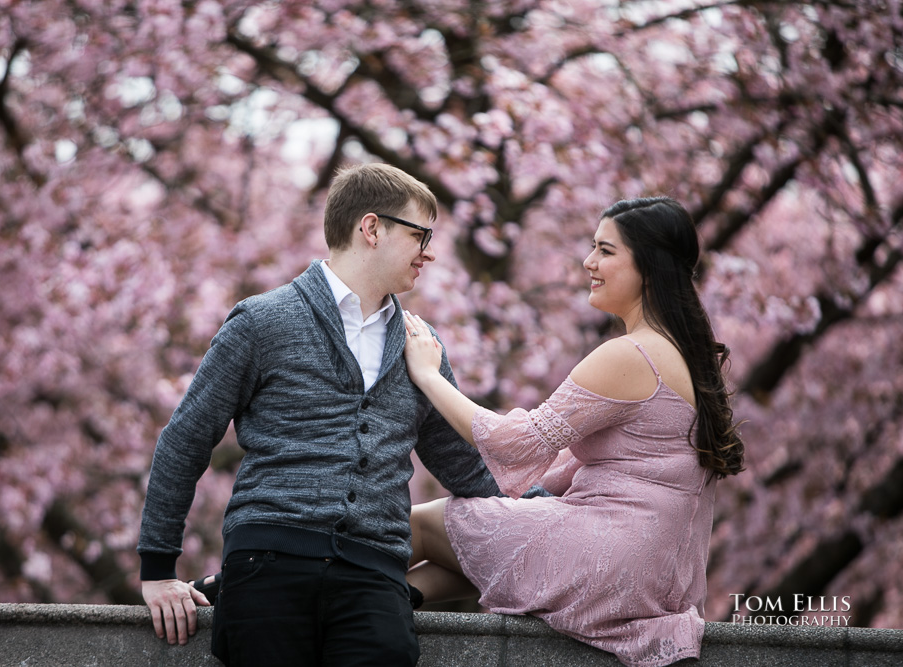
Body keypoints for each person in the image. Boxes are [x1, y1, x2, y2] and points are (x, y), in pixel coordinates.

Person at [137, 163, 522, 667]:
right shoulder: (262, 321)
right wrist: (158, 569)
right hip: (268, 563)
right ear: (372, 228)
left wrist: (542, 509)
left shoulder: (420, 347)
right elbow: (186, 438)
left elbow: (464, 469)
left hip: (375, 576)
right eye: (420, 234)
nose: (429, 251)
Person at [401, 196, 744, 667]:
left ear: (648, 265)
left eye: (605, 251)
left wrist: (427, 375)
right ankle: (397, 600)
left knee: (422, 523)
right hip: (657, 571)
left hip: (609, 556)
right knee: (485, 549)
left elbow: (512, 445)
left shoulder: (630, 355)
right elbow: (570, 470)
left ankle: (323, 602)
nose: (589, 262)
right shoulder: (685, 353)